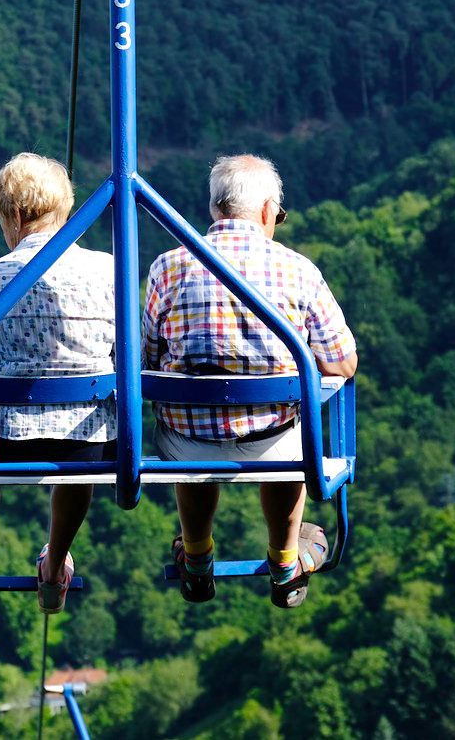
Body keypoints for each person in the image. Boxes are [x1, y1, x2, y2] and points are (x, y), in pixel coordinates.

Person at [141, 154, 357, 608]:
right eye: (278, 214)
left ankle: (197, 557)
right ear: (265, 211)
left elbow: (148, 359)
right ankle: (285, 560)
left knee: (189, 429)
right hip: (274, 440)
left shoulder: (167, 267)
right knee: (292, 433)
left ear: (215, 210)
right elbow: (343, 364)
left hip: (186, 441)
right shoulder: (299, 270)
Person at [0, 152, 116, 618]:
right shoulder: (107, 270)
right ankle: (54, 565)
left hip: (6, 445)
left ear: (14, 215)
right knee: (81, 434)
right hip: (92, 444)